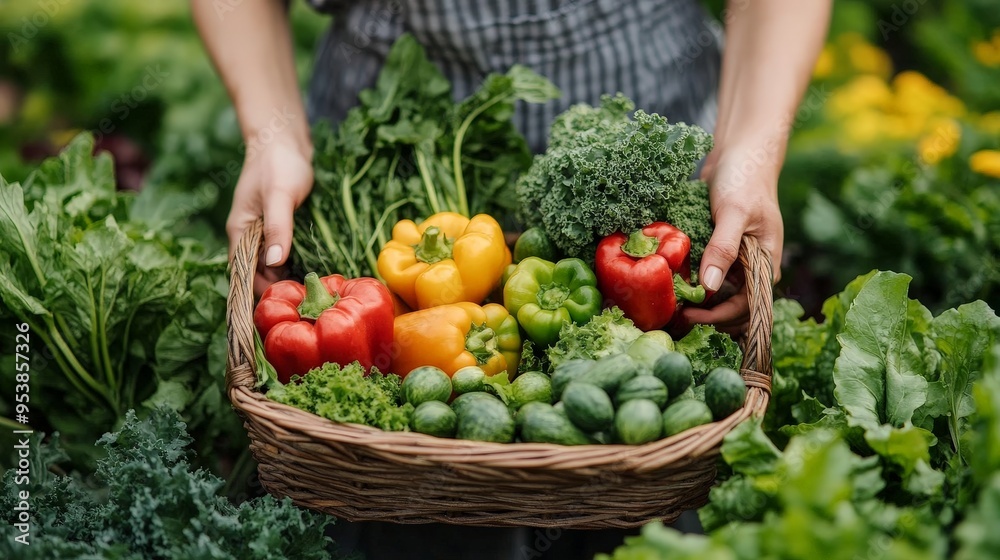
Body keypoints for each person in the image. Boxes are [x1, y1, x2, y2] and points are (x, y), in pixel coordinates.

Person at [194, 0, 830, 556]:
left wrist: (749, 152)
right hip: (381, 136)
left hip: (657, 168)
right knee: (402, 517)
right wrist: (270, 139)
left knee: (649, 510)